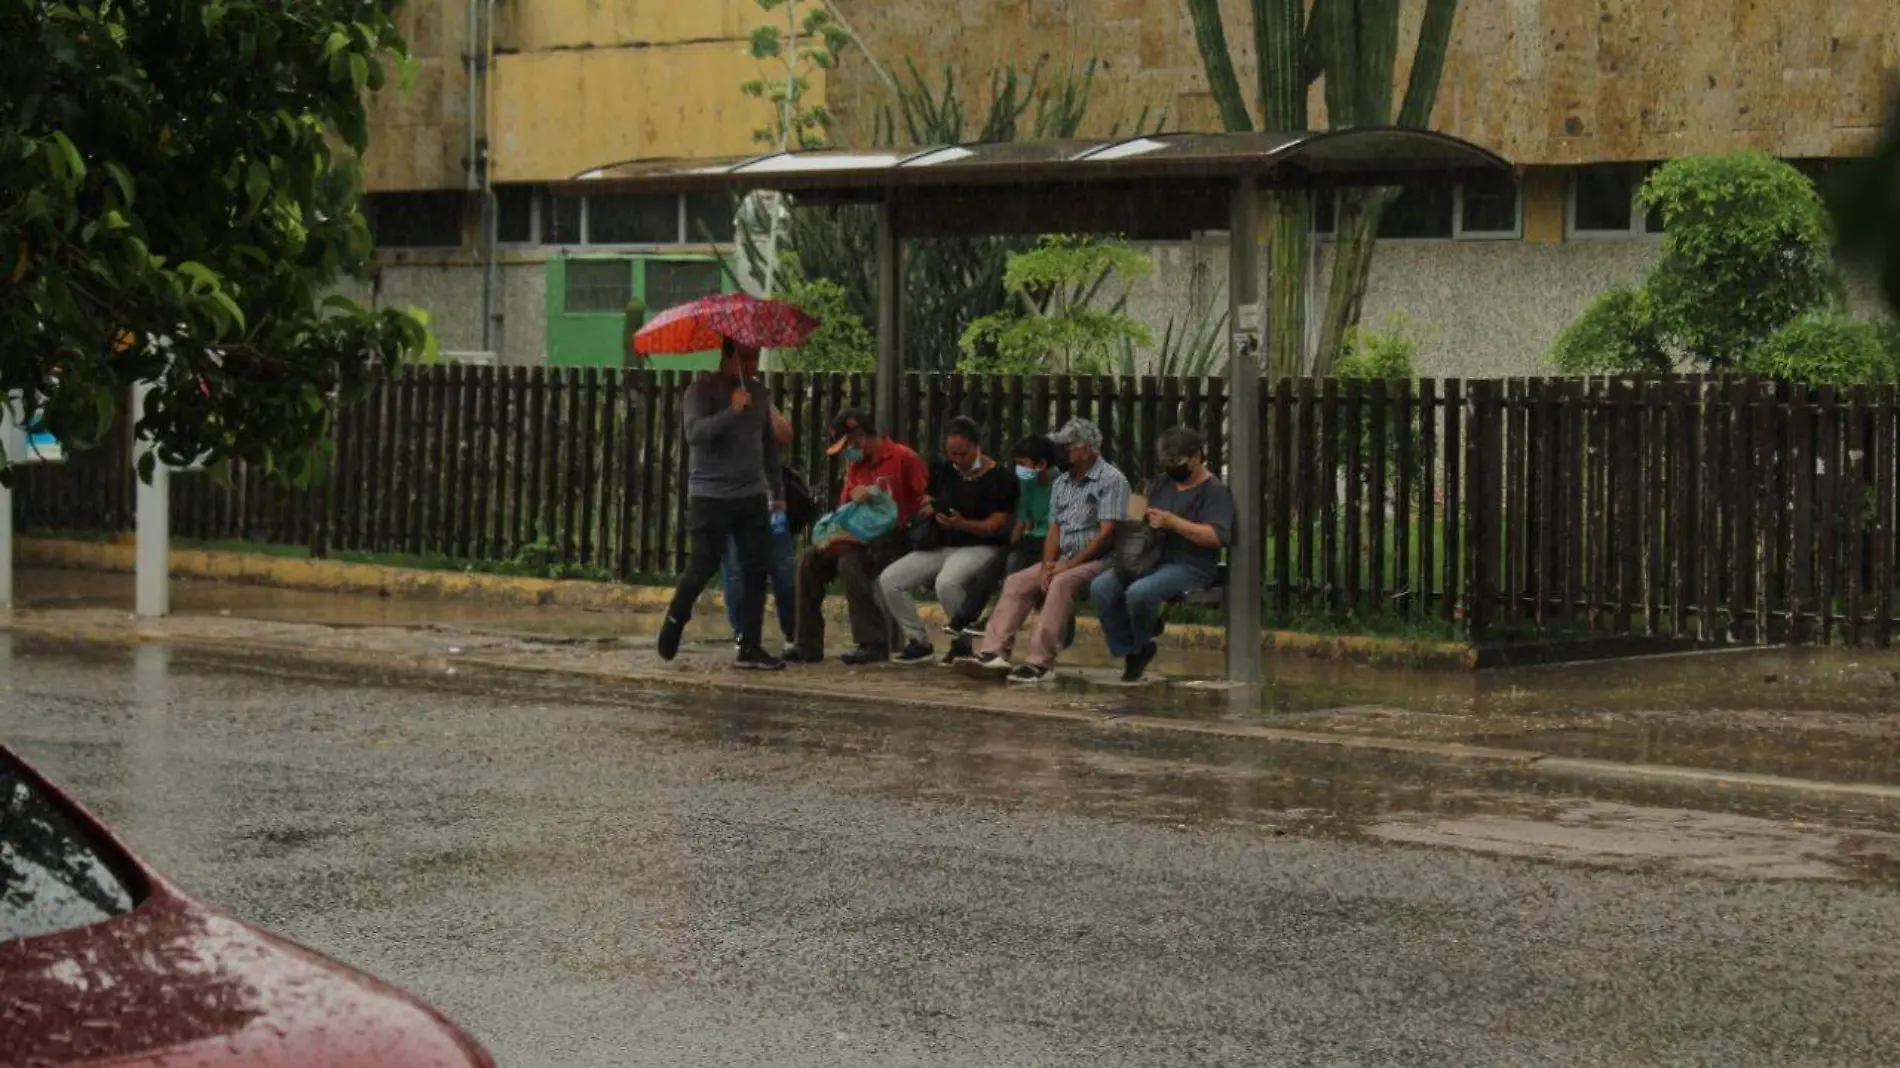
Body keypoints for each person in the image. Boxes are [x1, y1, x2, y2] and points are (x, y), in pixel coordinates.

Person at [961, 417, 1129, 684]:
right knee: (1017, 581)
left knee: (1060, 583)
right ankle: (993, 653)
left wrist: (1067, 565)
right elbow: (1054, 529)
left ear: (1087, 448)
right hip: (1064, 559)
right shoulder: (1062, 483)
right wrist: (1048, 563)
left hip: (1100, 560)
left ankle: (1041, 662)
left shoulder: (1111, 480)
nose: (1061, 452)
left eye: (1067, 446)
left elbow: (1106, 533)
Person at [656, 338, 784, 670]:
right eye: (745, 358)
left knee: (757, 568)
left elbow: (769, 447)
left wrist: (778, 493)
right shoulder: (700, 391)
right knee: (703, 565)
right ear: (727, 356)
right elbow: (695, 433)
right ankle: (675, 618)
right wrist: (731, 411)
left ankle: (751, 645)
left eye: (756, 358)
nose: (752, 365)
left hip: (751, 494)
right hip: (711, 496)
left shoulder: (760, 394)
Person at [784, 409, 930, 666]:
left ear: (860, 436)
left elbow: (924, 499)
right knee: (810, 559)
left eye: (847, 445)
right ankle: (807, 643)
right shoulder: (855, 466)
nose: (845, 453)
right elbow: (846, 508)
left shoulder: (903, 458)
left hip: (894, 538)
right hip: (856, 536)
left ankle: (872, 642)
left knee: (851, 562)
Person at [1091, 426, 1235, 684]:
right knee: (1102, 587)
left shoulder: (1213, 491)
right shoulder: (1161, 483)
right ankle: (1134, 648)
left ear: (1195, 457)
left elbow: (1216, 537)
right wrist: (1132, 514)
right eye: (1166, 462)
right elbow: (1136, 513)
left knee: (1140, 592)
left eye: (1177, 462)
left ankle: (1140, 639)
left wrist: (1174, 523)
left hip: (1190, 564)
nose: (1171, 468)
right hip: (1150, 557)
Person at [876, 416, 1019, 664]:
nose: (957, 460)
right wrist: (931, 507)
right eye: (952, 453)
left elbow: (997, 524)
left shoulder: (1000, 479)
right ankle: (918, 641)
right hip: (941, 543)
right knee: (890, 579)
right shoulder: (943, 469)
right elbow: (927, 499)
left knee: (947, 582)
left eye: (963, 454)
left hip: (981, 545)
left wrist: (963, 524)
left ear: (976, 446)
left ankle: (965, 643)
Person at [940, 433, 1057, 665]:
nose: (1019, 470)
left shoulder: (1059, 485)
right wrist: (1010, 544)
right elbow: (1022, 517)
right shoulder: (1028, 483)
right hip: (1030, 538)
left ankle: (994, 617)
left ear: (1042, 464)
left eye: (1023, 464)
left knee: (1013, 567)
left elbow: (1055, 526)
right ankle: (964, 617)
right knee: (995, 565)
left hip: (1049, 542)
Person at [721, 395, 797, 646]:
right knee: (735, 571)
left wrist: (766, 405)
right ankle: (743, 633)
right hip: (733, 499)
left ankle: (792, 631)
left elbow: (785, 435)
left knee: (783, 569)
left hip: (770, 501)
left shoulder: (761, 402)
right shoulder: (718, 404)